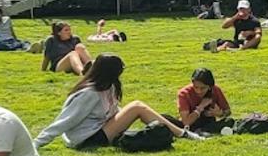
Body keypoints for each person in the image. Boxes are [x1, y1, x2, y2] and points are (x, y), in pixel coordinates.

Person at [36, 55, 191, 150]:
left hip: (99, 130)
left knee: (141, 110)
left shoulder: (108, 86)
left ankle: (178, 130)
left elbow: (114, 110)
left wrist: (127, 117)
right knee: (137, 106)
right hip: (87, 139)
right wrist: (37, 143)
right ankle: (183, 133)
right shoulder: (89, 94)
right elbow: (66, 120)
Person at [177, 68, 232, 133]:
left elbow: (228, 111)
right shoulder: (184, 93)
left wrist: (219, 113)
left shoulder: (215, 90)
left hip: (209, 123)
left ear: (209, 87)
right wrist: (200, 107)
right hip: (191, 125)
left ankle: (203, 131)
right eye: (196, 87)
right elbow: (186, 122)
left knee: (229, 121)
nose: (198, 91)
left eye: (203, 88)